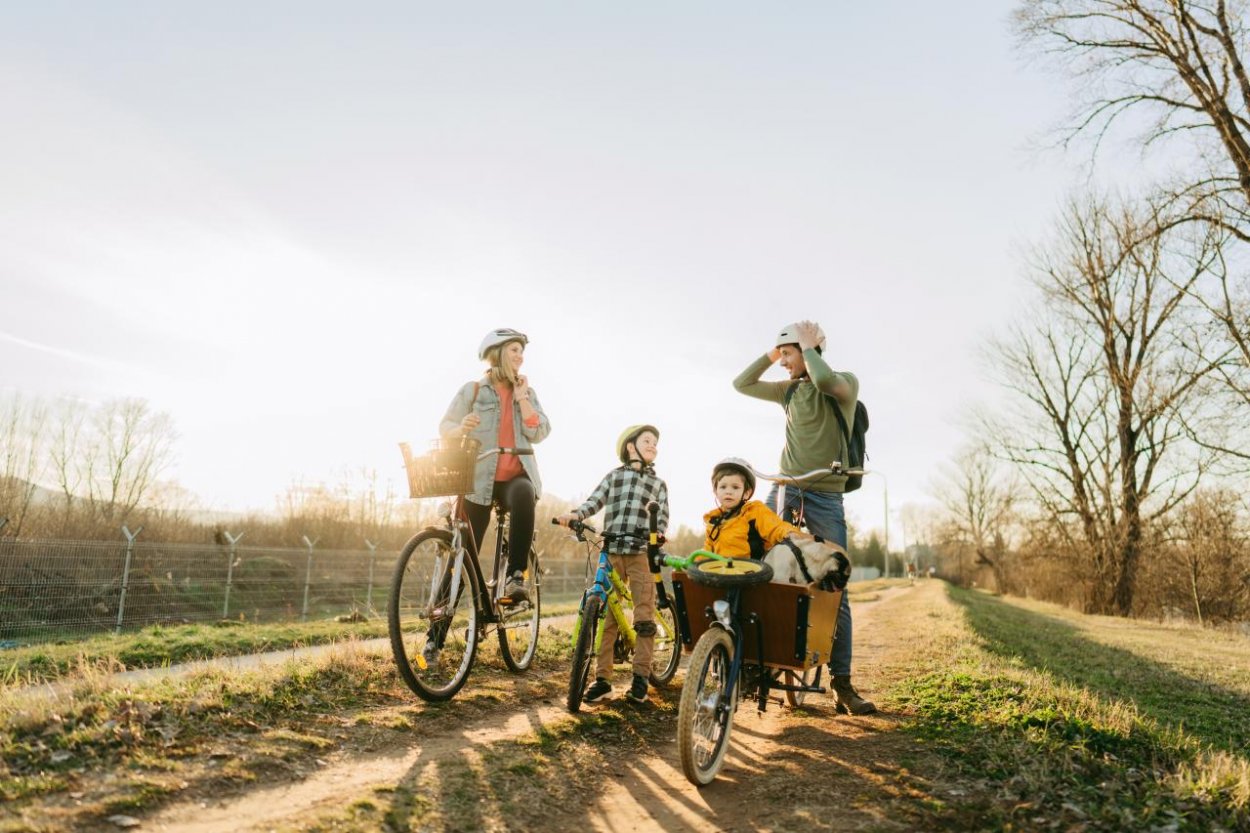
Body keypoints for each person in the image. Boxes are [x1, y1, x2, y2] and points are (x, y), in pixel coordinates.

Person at [732, 320, 877, 715]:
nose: (783, 363)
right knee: (768, 574)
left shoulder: (844, 384)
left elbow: (827, 379)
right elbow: (741, 384)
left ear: (810, 349)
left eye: (788, 354)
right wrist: (773, 352)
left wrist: (809, 347)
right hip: (787, 488)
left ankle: (842, 684)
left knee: (834, 585)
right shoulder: (789, 390)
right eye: (781, 356)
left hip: (826, 496)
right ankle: (756, 665)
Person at [556, 425, 669, 704]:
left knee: (643, 616)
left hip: (640, 551)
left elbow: (662, 517)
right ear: (630, 447)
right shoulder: (614, 477)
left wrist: (659, 533)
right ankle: (602, 680)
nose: (653, 446)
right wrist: (576, 515)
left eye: (655, 443)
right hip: (611, 549)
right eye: (647, 441)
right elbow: (595, 501)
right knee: (605, 617)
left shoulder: (658, 484)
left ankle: (641, 678)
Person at [440, 327, 550, 608]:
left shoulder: (527, 392)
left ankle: (516, 576)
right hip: (478, 482)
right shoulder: (473, 391)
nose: (520, 357)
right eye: (514, 350)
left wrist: (522, 398)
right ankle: (435, 634)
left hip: (515, 479)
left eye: (522, 352)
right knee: (463, 555)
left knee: (525, 493)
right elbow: (446, 426)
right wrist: (460, 428)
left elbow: (539, 432)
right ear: (498, 353)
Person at [703, 457, 799, 558]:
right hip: (721, 571)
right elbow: (707, 551)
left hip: (751, 570)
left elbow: (775, 528)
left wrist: (794, 535)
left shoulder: (754, 511)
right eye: (723, 487)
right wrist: (694, 563)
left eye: (735, 487)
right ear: (716, 491)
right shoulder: (713, 521)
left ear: (746, 493)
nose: (728, 491)